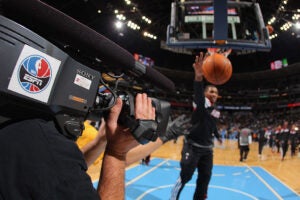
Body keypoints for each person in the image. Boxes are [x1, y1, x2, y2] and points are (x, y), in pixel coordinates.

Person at [0, 93, 155, 199]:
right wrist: (117, 153)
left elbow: (66, 170)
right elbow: (56, 165)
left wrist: (100, 141)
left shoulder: (14, 127)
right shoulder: (43, 143)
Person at [170, 52, 222, 200]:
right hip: (192, 146)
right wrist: (198, 77)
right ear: (205, 93)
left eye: (216, 92)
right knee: (185, 177)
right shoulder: (200, 104)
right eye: (211, 91)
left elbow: (213, 126)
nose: (213, 93)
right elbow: (199, 98)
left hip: (207, 150)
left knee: (204, 181)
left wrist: (218, 136)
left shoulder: (216, 110)